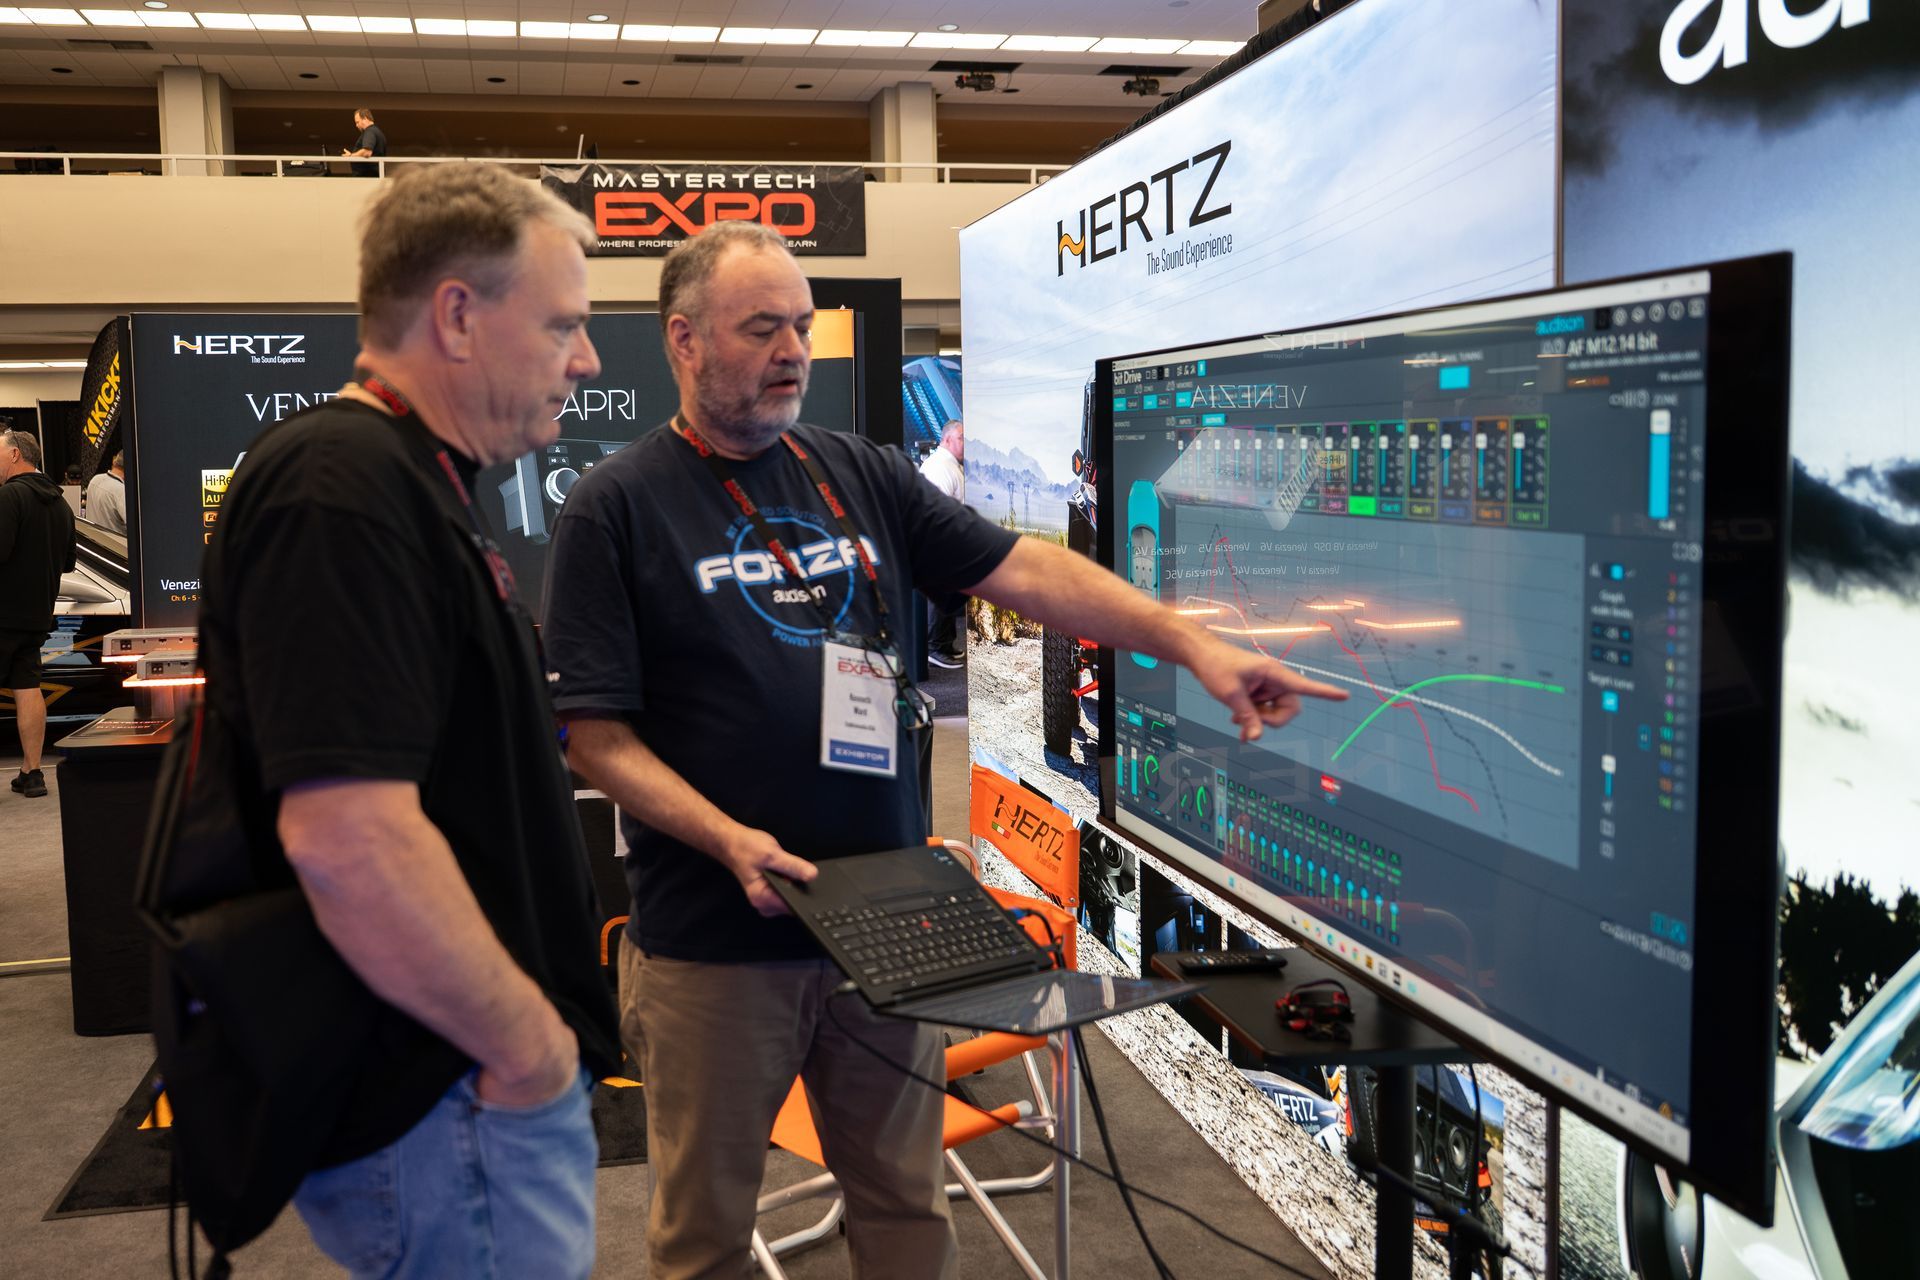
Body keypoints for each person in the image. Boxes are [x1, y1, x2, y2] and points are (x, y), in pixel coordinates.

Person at [541, 220, 1347, 1279]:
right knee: (704, 1239)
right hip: (719, 941)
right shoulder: (617, 505)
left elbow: (1029, 571)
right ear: (684, 340)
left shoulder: (854, 471)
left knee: (907, 1209)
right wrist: (727, 838)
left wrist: (1191, 641)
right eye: (760, 329)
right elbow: (595, 736)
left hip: (886, 922)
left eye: (800, 325)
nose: (793, 350)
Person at [193, 162, 619, 1278]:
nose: (588, 359)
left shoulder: (404, 480)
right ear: (459, 315)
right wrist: (526, 1050)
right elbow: (349, 839)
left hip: (462, 1093)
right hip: (453, 1096)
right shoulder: (342, 487)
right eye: (566, 323)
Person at [0, 429, 75, 799]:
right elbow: (69, 563)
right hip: (36, 615)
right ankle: (32, 772)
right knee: (27, 687)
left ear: (15, 454)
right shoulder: (60, 504)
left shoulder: (9, 496)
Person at [918, 419, 966, 667]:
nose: (964, 443)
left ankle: (945, 643)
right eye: (961, 438)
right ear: (947, 439)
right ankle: (936, 648)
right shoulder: (940, 467)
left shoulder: (947, 465)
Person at [84, 450, 126, 534]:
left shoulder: (95, 479)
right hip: (115, 545)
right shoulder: (121, 490)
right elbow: (136, 526)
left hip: (93, 542)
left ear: (114, 462)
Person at [341, 107, 387, 178]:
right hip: (373, 175)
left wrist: (351, 156)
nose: (356, 125)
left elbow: (367, 152)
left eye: (357, 122)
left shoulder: (370, 131)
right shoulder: (376, 131)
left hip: (367, 177)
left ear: (365, 118)